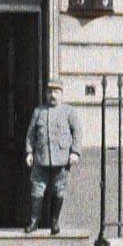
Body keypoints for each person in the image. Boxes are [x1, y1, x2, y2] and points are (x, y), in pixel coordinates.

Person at [24, 78, 81, 235]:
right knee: (37, 189)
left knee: (59, 190)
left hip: (62, 159)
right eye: (50, 92)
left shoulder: (69, 111)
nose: (52, 95)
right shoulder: (39, 111)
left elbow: (77, 132)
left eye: (56, 92)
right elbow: (31, 134)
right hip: (41, 158)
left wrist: (75, 152)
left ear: (62, 94)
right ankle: (34, 222)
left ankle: (54, 223)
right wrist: (29, 152)